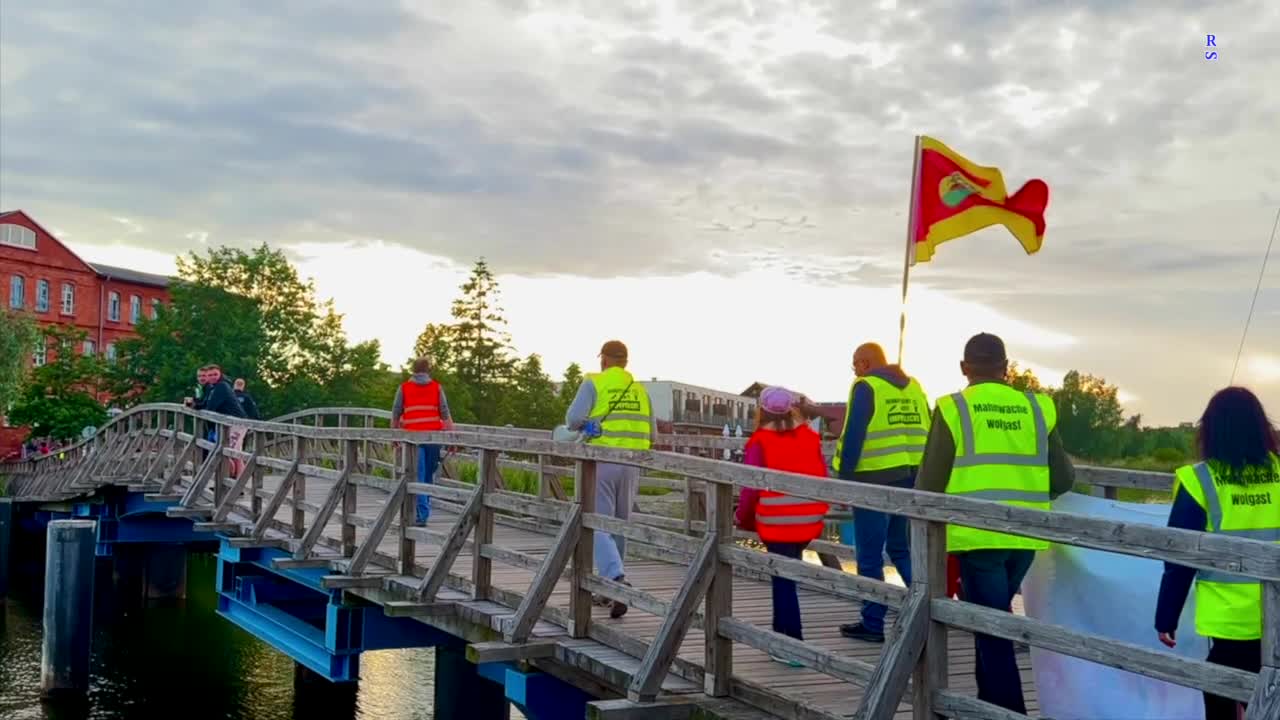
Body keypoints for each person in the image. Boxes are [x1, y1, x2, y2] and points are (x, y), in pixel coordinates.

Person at [916, 332, 1074, 714]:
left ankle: (1008, 710)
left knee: (991, 628)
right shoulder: (1037, 408)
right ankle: (987, 702)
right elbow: (1063, 479)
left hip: (977, 536)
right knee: (991, 615)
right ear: (1006, 368)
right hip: (1025, 533)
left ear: (964, 368)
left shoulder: (953, 407)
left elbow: (929, 483)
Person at [1155, 387, 1280, 720]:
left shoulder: (1199, 480)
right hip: (1278, 613)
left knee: (1222, 694)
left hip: (1230, 619)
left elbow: (1178, 556)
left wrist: (1167, 617)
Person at [829, 342, 931, 642]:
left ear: (865, 363)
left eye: (854, 364)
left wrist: (845, 480)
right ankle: (926, 611)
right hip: (910, 476)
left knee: (870, 554)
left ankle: (873, 622)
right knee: (900, 547)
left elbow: (855, 435)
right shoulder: (913, 386)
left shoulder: (866, 387)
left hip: (874, 477)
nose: (854, 370)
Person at [735, 386, 830, 665]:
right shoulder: (810, 437)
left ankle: (789, 643)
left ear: (761, 411)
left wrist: (743, 518)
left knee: (782, 580)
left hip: (777, 520)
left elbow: (751, 489)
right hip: (809, 519)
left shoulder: (760, 441)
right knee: (789, 573)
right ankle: (787, 638)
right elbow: (823, 475)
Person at [564, 340, 655, 619]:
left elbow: (572, 419)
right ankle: (608, 590)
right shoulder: (640, 390)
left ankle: (616, 579)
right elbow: (652, 432)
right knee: (619, 526)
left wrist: (588, 425)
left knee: (595, 522)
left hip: (602, 460)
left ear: (603, 360)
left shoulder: (594, 382)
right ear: (626, 362)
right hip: (632, 464)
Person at [391, 358, 455, 525]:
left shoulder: (404, 388)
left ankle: (422, 513)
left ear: (413, 370)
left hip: (413, 440)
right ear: (428, 370)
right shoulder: (436, 387)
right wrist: (453, 439)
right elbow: (445, 414)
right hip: (433, 438)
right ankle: (423, 512)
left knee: (418, 475)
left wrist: (394, 436)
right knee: (427, 475)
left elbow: (396, 413)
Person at [196, 365, 248, 476]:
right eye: (210, 375)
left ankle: (237, 483)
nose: (212, 377)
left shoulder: (222, 387)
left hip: (236, 422)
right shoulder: (213, 387)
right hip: (227, 423)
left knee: (233, 453)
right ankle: (230, 482)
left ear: (220, 374)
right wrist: (194, 405)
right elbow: (206, 404)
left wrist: (199, 406)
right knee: (230, 452)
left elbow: (211, 407)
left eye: (215, 374)